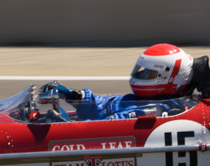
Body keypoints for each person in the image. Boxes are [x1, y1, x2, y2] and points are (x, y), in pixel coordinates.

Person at [42, 43, 198, 121]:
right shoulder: (145, 99)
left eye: (148, 73)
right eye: (141, 70)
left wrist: (66, 124)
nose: (141, 75)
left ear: (168, 77)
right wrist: (75, 96)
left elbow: (108, 124)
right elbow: (110, 105)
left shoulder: (157, 108)